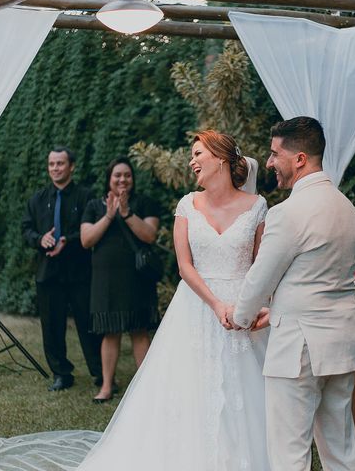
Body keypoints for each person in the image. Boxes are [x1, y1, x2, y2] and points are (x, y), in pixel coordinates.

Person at [76, 130, 270, 470]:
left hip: (244, 309)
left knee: (245, 390)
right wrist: (216, 304)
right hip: (196, 307)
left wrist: (251, 304)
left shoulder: (258, 206)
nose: (192, 161)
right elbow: (184, 266)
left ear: (221, 159)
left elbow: (260, 264)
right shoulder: (187, 205)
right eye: (191, 155)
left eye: (198, 154)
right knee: (191, 387)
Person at [229, 116, 355, 471]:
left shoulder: (288, 213)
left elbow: (260, 279)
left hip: (299, 349)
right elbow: (315, 278)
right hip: (341, 343)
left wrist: (240, 316)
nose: (268, 163)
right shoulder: (348, 208)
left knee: (288, 454)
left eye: (274, 154)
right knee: (341, 448)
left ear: (299, 159)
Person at [80, 156, 161, 403]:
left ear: (133, 178)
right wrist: (108, 216)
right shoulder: (94, 205)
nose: (122, 179)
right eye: (117, 175)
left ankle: (145, 386)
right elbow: (86, 240)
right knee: (110, 332)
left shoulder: (144, 203)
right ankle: (106, 386)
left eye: (127, 175)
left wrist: (125, 213)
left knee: (139, 331)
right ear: (109, 179)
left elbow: (149, 235)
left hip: (137, 278)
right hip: (106, 280)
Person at [22, 146, 102, 392]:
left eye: (60, 163)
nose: (55, 168)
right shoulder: (36, 200)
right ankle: (61, 374)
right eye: (51, 164)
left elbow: (94, 229)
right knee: (52, 327)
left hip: (79, 272)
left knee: (89, 325)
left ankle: (99, 372)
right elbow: (25, 230)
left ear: (71, 166)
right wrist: (39, 239)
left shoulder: (86, 196)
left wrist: (69, 239)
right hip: (48, 273)